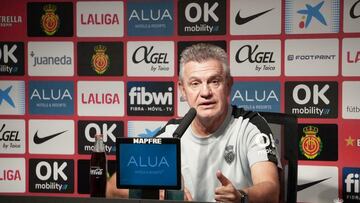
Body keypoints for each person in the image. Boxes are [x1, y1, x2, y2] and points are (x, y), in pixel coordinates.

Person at [106, 43, 280, 203]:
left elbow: (271, 189)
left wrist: (241, 196)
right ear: (183, 89)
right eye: (195, 83)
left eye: (214, 81)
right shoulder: (172, 133)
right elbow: (112, 188)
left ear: (228, 84)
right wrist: (155, 192)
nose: (205, 92)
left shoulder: (250, 126)